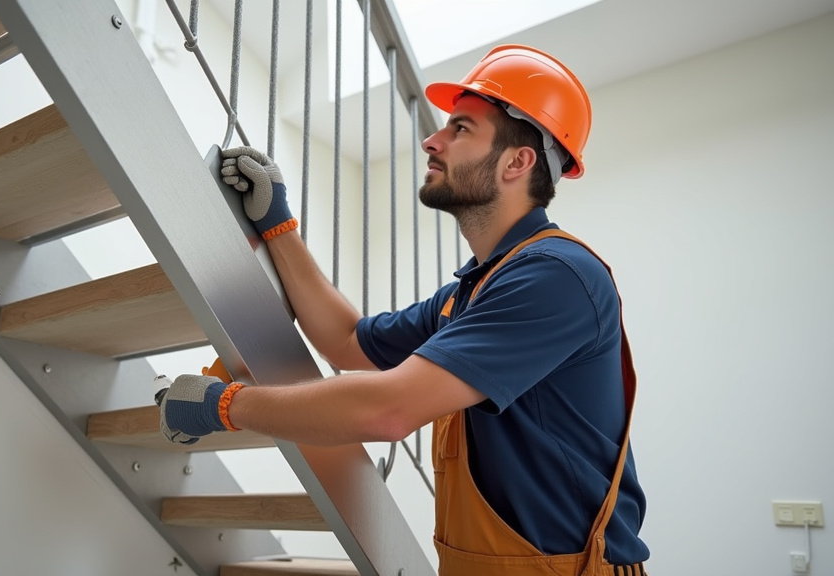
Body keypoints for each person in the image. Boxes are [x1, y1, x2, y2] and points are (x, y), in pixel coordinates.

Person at [159, 44, 650, 575]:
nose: (431, 141)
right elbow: (347, 342)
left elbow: (389, 410)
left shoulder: (556, 276)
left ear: (517, 162)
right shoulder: (469, 295)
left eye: (460, 129)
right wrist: (279, 228)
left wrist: (226, 406)